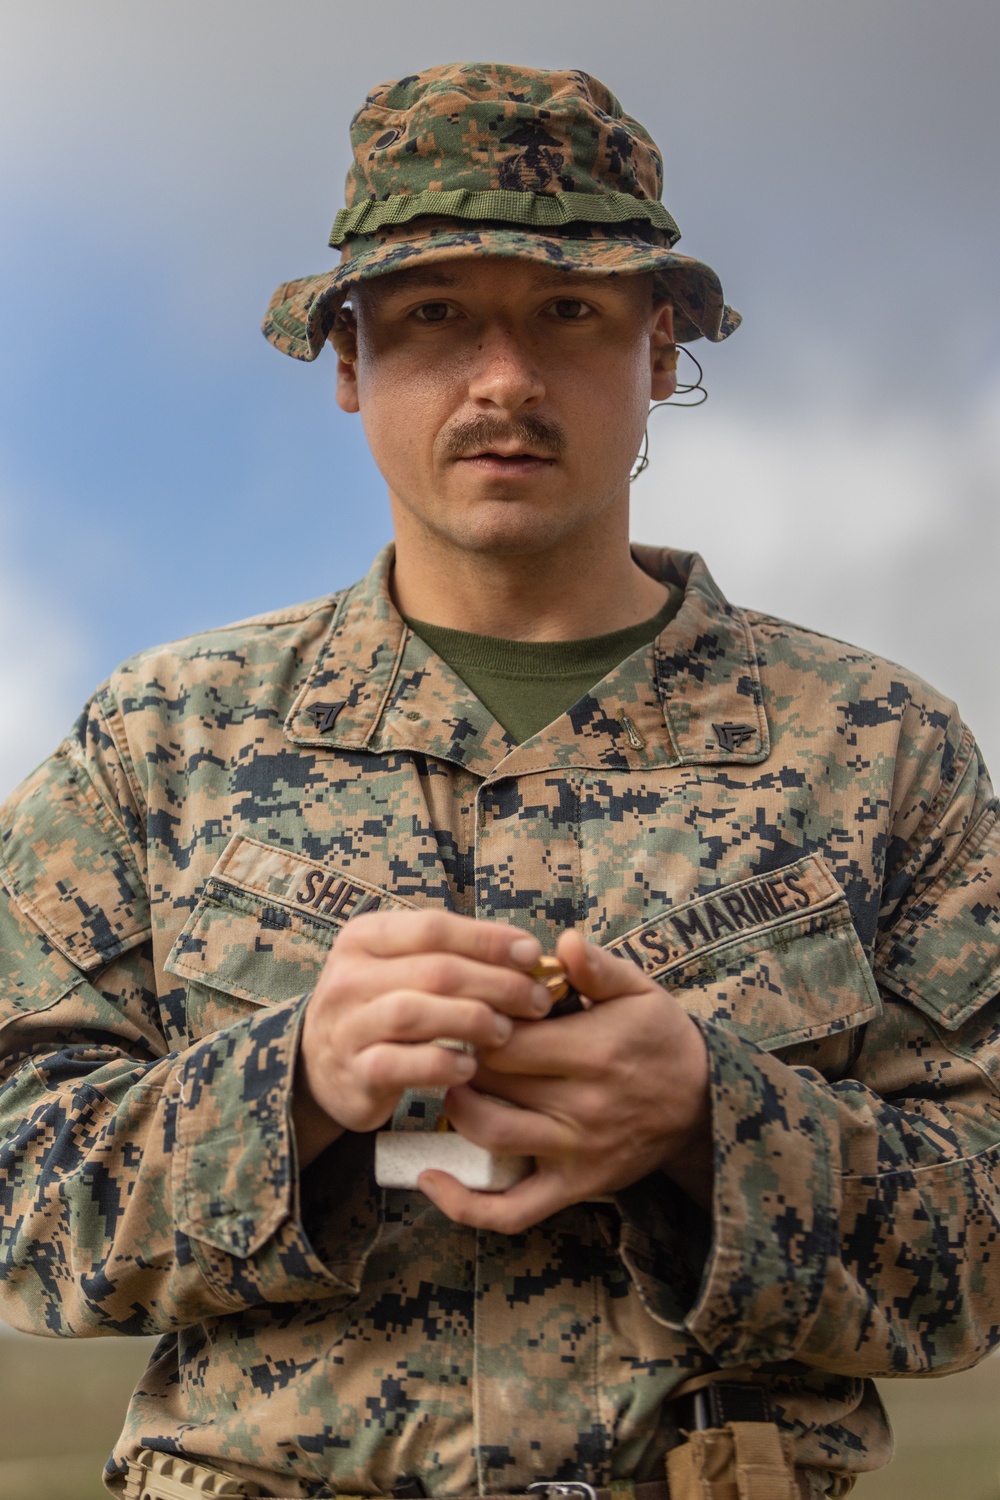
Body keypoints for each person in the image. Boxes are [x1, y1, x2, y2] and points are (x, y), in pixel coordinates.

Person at [1, 61, 998, 1500]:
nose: (505, 381)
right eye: (434, 319)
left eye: (569, 313)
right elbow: (21, 1192)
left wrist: (715, 1123)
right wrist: (288, 1087)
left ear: (661, 348)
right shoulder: (161, 746)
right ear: (349, 362)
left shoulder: (884, 756)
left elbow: (982, 1240)